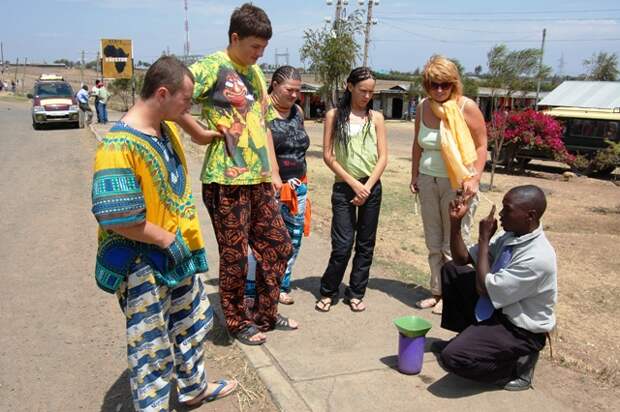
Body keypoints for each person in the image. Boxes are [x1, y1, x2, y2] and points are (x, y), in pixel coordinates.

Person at [90, 56, 237, 410]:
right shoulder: (117, 147)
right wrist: (165, 238)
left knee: (189, 323)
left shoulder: (164, 127)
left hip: (175, 258)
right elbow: (116, 218)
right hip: (143, 265)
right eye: (185, 100)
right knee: (150, 348)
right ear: (161, 93)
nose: (189, 108)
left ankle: (193, 389)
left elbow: (196, 131)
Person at [178, 3, 297, 346]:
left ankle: (265, 313)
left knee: (278, 246)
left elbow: (260, 126)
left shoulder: (256, 74)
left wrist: (273, 172)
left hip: (258, 179)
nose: (260, 55)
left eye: (264, 48)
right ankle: (235, 320)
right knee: (235, 254)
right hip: (225, 179)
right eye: (254, 47)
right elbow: (175, 95)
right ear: (235, 37)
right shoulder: (211, 67)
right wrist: (197, 131)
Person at [437, 185, 557, 391]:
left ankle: (514, 366)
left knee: (453, 358)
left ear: (530, 215)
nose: (500, 214)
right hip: (499, 308)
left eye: (507, 209)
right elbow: (461, 259)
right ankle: (469, 338)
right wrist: (455, 222)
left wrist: (484, 239)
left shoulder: (537, 257)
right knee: (452, 271)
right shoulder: (511, 235)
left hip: (519, 329)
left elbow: (485, 290)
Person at [410, 55, 488, 314]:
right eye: (434, 84)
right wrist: (414, 176)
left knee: (453, 240)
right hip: (427, 180)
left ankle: (452, 295)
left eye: (445, 84)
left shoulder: (466, 107)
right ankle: (436, 290)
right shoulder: (423, 107)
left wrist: (475, 177)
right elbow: (417, 145)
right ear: (426, 85)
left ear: (454, 84)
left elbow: (480, 145)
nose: (439, 90)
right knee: (433, 241)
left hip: (457, 183)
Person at [315, 67, 388, 313]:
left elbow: (383, 157)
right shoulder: (334, 116)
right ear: (349, 86)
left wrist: (367, 187)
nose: (367, 96)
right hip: (344, 187)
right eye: (362, 90)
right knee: (343, 244)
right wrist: (354, 184)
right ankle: (328, 290)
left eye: (371, 92)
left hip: (371, 187)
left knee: (366, 244)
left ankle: (356, 292)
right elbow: (328, 155)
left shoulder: (376, 118)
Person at [245, 65, 311, 306]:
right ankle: (252, 290)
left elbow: (299, 148)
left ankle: (282, 285)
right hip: (268, 187)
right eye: (289, 89)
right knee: (263, 239)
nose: (294, 95)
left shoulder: (298, 112)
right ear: (274, 85)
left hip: (297, 186)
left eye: (298, 90)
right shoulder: (262, 111)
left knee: (292, 239)